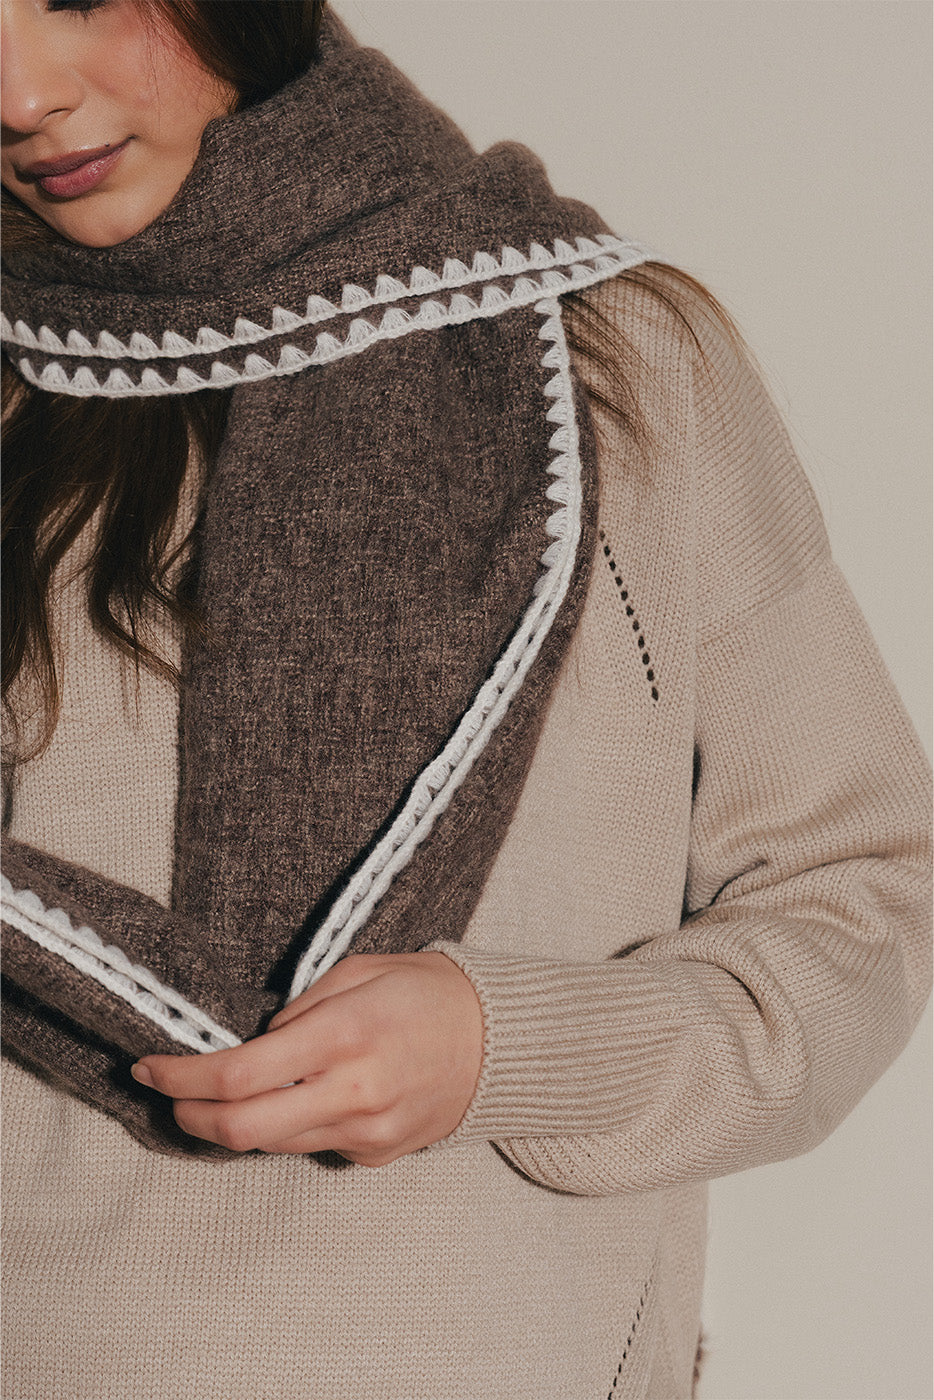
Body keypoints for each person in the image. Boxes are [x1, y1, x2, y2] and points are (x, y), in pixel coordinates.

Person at [1, 2, 929, 1398]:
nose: (18, 94)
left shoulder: (611, 365)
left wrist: (506, 1048)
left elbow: (861, 903)